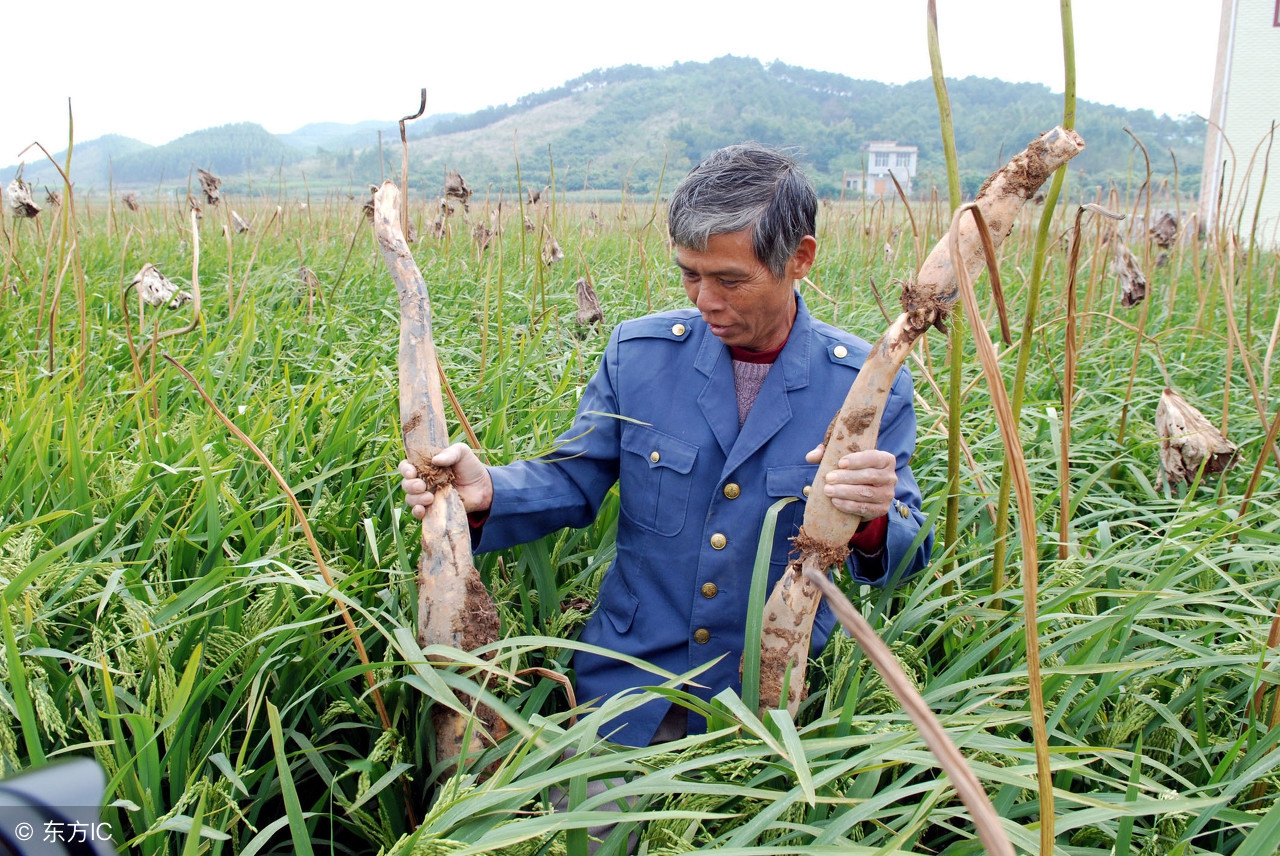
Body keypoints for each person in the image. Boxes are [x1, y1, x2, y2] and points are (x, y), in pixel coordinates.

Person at [401, 143, 932, 748]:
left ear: (800, 258)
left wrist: (868, 517)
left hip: (769, 702)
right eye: (690, 274)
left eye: (731, 279)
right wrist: (488, 488)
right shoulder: (640, 356)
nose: (705, 300)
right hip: (628, 692)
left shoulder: (864, 386)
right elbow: (574, 479)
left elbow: (906, 553)